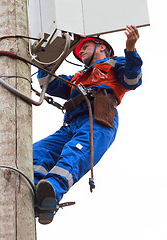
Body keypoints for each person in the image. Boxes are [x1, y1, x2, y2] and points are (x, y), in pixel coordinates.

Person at [33, 25, 142, 224]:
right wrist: (48, 53)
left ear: (102, 47)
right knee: (37, 152)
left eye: (85, 46)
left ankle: (51, 191)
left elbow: (132, 79)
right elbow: (46, 82)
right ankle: (33, 188)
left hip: (98, 117)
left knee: (75, 152)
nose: (80, 51)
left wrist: (131, 49)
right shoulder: (78, 77)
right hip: (71, 124)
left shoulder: (115, 63)